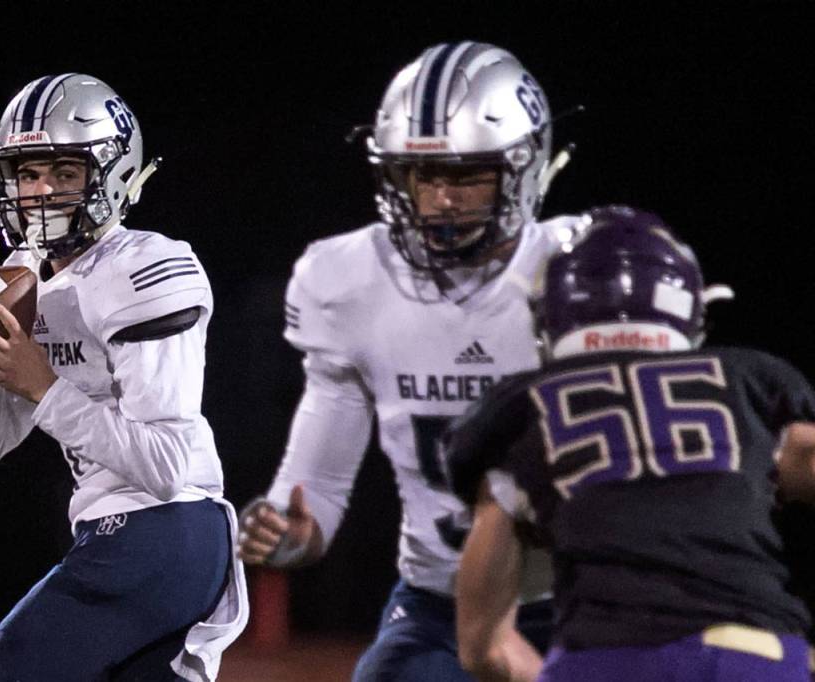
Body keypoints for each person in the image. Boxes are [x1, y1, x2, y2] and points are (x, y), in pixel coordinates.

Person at [236, 41, 580, 680]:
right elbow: (321, 487)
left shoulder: (581, 271)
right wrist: (288, 532)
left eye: (467, 174)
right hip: (439, 605)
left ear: (524, 167)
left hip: (586, 600)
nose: (442, 201)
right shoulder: (346, 278)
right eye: (425, 176)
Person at [0, 73, 247, 681]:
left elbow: (165, 466)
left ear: (111, 174)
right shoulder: (26, 278)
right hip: (117, 536)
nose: (43, 191)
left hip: (165, 529)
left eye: (65, 173)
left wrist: (42, 384)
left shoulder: (148, 266)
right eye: (27, 174)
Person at [445, 205, 815, 681]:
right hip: (751, 653)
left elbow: (484, 650)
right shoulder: (751, 383)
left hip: (604, 658)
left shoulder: (517, 414)